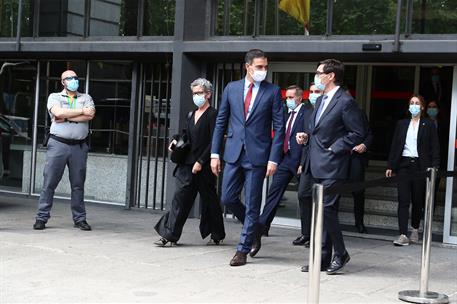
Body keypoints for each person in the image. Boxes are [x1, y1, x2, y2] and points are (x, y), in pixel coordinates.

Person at [211, 49, 284, 267]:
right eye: (259, 67)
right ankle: (256, 228)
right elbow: (221, 122)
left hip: (258, 156)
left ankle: (242, 250)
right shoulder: (231, 89)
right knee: (227, 198)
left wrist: (273, 159)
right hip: (233, 153)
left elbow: (279, 128)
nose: (263, 70)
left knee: (253, 205)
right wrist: (215, 153)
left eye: (265, 67)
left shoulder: (272, 91)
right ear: (248, 66)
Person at [299, 59, 366, 274]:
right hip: (316, 164)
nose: (316, 77)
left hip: (334, 165)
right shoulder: (320, 101)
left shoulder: (346, 101)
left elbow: (357, 133)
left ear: (331, 76)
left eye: (319, 73)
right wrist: (306, 137)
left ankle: (341, 252)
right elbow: (320, 130)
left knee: (327, 209)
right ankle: (323, 258)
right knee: (322, 212)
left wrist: (335, 148)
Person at [154, 78, 225, 246]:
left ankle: (217, 233)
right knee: (180, 199)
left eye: (200, 93)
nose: (196, 96)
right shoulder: (191, 114)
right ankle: (169, 235)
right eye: (194, 93)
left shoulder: (213, 115)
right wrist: (175, 140)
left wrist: (201, 161)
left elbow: (215, 141)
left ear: (208, 94)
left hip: (204, 166)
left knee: (209, 201)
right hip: (186, 165)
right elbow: (186, 135)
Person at [249, 85, 311, 257]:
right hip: (285, 159)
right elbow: (279, 136)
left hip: (300, 161)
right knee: (274, 192)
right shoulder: (285, 114)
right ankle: (262, 227)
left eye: (291, 97)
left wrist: (303, 161)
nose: (288, 100)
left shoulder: (307, 113)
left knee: (304, 197)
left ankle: (307, 234)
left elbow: (310, 138)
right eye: (286, 97)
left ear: (300, 98)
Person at [33, 70, 95, 231]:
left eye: (75, 77)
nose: (74, 80)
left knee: (78, 185)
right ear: (63, 82)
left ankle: (80, 219)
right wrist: (81, 112)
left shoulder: (86, 97)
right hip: (58, 144)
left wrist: (66, 117)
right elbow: (58, 112)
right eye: (69, 78)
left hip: (79, 147)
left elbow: (90, 115)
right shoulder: (55, 97)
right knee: (49, 183)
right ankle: (41, 218)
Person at [386, 94, 440, 246]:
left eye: (417, 103)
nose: (414, 105)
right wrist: (391, 165)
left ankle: (415, 229)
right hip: (403, 164)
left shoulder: (428, 124)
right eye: (411, 103)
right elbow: (395, 145)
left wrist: (434, 166)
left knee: (417, 200)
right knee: (403, 200)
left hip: (420, 165)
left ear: (422, 107)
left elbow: (434, 147)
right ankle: (403, 234)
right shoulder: (402, 124)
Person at [294, 83, 322, 247]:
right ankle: (306, 233)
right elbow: (307, 140)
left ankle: (317, 236)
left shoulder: (325, 111)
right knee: (303, 195)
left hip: (323, 163)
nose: (313, 95)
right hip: (308, 161)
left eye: (316, 92)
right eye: (311, 92)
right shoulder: (307, 112)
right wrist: (301, 162)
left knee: (320, 200)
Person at [344, 88, 373, 234]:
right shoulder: (333, 113)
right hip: (339, 158)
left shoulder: (359, 113)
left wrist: (365, 145)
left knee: (358, 191)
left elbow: (368, 134)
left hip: (356, 157)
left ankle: (359, 223)